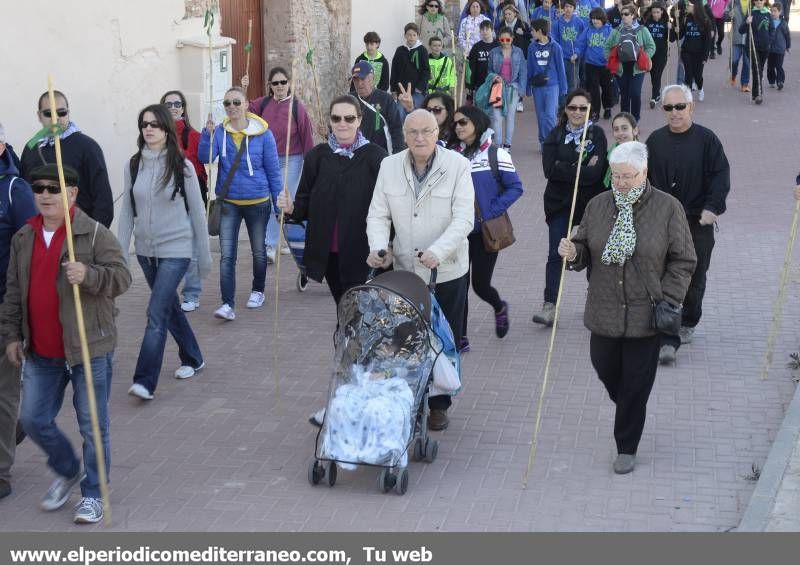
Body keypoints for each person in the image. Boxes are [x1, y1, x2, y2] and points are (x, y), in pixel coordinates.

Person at [0, 164, 131, 523]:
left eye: (53, 188)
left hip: (89, 348)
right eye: (39, 188)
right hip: (42, 350)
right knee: (32, 417)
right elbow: (14, 292)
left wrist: (89, 275)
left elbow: (122, 278)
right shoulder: (23, 237)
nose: (44, 194)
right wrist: (12, 334)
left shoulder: (93, 233)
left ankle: (94, 493)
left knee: (92, 424)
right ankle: (68, 468)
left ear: (71, 193)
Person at [557, 141, 696, 474]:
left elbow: (684, 259)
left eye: (628, 176)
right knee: (604, 367)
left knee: (635, 382)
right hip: (603, 307)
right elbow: (584, 247)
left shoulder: (668, 208)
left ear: (644, 173)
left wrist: (669, 296)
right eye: (616, 176)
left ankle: (626, 446)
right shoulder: (597, 205)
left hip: (646, 313)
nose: (620, 183)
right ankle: (631, 408)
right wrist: (573, 253)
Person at [366, 109, 474, 431]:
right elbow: (378, 214)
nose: (420, 138)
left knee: (444, 339)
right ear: (404, 135)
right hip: (405, 270)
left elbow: (464, 218)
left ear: (437, 131)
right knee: (403, 338)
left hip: (448, 271)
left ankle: (440, 403)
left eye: (426, 131)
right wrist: (378, 248)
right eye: (412, 132)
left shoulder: (458, 166)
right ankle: (409, 396)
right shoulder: (389, 166)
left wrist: (438, 251)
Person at [117, 104, 211, 401]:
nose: (149, 129)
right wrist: (121, 254)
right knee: (168, 308)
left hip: (177, 250)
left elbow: (197, 213)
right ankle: (193, 357)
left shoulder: (181, 166)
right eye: (144, 124)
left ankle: (145, 380)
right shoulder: (133, 165)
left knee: (156, 313)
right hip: (146, 253)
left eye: (155, 124)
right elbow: (127, 214)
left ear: (166, 129)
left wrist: (204, 257)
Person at [645, 84, 730, 364]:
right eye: (668, 108)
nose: (674, 113)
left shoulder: (708, 140)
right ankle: (666, 327)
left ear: (691, 107)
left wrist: (712, 208)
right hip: (663, 222)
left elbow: (720, 176)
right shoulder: (655, 141)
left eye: (680, 106)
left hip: (697, 220)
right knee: (662, 273)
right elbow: (643, 180)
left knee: (695, 276)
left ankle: (688, 321)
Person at [276, 95, 387, 305]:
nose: (342, 124)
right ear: (330, 121)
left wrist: (387, 243)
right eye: (336, 119)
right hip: (328, 252)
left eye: (349, 118)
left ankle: (347, 334)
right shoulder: (317, 157)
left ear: (359, 120)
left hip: (362, 250)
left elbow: (388, 206)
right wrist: (291, 207)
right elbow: (304, 203)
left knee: (356, 307)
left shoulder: (377, 157)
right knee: (343, 304)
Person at [199, 86, 283, 321]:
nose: (232, 107)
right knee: (227, 255)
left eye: (237, 102)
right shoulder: (220, 133)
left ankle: (258, 290)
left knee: (258, 252)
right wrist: (207, 135)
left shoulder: (264, 134)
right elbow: (205, 158)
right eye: (227, 104)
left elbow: (274, 172)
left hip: (258, 201)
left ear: (247, 104)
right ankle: (227, 304)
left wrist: (279, 206)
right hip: (229, 203)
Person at [448, 105, 523, 349]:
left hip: (484, 233)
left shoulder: (495, 154)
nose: (458, 127)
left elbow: (515, 187)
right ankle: (460, 336)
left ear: (477, 123)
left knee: (480, 285)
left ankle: (499, 307)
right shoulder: (450, 154)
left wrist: (489, 212)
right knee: (459, 285)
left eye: (463, 122)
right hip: (455, 232)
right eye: (456, 123)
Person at [534, 88, 608, 326]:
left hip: (590, 204)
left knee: (593, 252)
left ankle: (594, 300)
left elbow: (596, 174)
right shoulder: (554, 136)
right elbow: (549, 170)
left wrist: (564, 165)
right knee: (557, 252)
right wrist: (581, 166)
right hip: (559, 203)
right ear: (565, 110)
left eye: (583, 108)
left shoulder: (597, 135)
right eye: (573, 107)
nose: (577, 112)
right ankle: (550, 305)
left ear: (590, 111)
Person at [0, 123, 37, 501]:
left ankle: (1, 473)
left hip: (3, 305)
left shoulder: (15, 190)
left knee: (3, 391)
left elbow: (28, 249)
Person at [246, 67, 315, 263]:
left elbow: (306, 136)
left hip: (291, 159)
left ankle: (272, 244)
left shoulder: (296, 107)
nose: (279, 86)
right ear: (270, 86)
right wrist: (243, 88)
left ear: (289, 84)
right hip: (268, 160)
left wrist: (310, 164)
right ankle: (275, 244)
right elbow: (244, 109)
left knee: (281, 200)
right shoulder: (263, 104)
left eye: (283, 82)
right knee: (271, 202)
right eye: (275, 83)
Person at [19, 91, 114, 228]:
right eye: (48, 113)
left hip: (79, 234)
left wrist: (93, 238)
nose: (55, 118)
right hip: (43, 235)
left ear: (68, 113)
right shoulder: (31, 149)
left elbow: (103, 199)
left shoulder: (87, 147)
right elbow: (25, 197)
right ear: (39, 116)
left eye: (61, 112)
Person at [160, 90, 209, 313]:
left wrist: (209, 136)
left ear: (183, 108)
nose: (173, 108)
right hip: (163, 200)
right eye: (168, 104)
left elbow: (199, 162)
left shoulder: (194, 135)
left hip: (189, 199)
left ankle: (192, 293)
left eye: (177, 104)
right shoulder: (155, 134)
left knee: (191, 250)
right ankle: (165, 291)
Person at [605, 5, 656, 121]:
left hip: (637, 68)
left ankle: (635, 119)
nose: (623, 16)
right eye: (622, 14)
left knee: (635, 93)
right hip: (621, 68)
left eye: (626, 14)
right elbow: (607, 47)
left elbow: (651, 46)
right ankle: (625, 119)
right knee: (624, 95)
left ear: (633, 15)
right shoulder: (616, 31)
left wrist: (644, 57)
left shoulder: (642, 30)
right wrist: (612, 60)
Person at [527, 18, 569, 151]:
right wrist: (528, 87)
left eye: (533, 30)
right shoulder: (532, 46)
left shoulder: (555, 47)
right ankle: (543, 141)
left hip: (552, 86)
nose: (531, 33)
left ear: (540, 31)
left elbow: (560, 68)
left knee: (550, 115)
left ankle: (551, 142)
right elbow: (530, 67)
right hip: (537, 86)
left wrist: (564, 87)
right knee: (541, 116)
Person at [351, 62, 405, 154]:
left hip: (382, 154)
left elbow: (396, 129)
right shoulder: (350, 100)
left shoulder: (386, 99)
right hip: (357, 155)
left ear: (372, 78)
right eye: (356, 79)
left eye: (363, 78)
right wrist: (327, 133)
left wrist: (398, 155)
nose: (359, 83)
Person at [488, 27, 528, 150]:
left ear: (512, 39)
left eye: (507, 39)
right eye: (502, 39)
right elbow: (489, 70)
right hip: (497, 88)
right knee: (496, 117)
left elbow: (523, 71)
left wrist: (522, 90)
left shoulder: (518, 52)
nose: (505, 42)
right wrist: (495, 77)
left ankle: (507, 145)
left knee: (510, 117)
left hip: (513, 87)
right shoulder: (494, 52)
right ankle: (499, 145)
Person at [581, 8, 615, 121]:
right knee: (593, 89)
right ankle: (595, 111)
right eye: (593, 19)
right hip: (591, 64)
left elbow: (615, 46)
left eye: (597, 19)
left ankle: (608, 108)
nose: (595, 21)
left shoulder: (609, 30)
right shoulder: (588, 30)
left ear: (603, 19)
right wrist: (576, 53)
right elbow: (580, 43)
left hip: (605, 65)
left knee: (607, 88)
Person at [390, 23, 431, 111]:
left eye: (414, 35)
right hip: (402, 91)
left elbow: (426, 71)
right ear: (405, 35)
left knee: (416, 113)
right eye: (409, 35)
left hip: (417, 91)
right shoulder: (400, 50)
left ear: (417, 36)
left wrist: (419, 88)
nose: (411, 37)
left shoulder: (422, 50)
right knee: (400, 113)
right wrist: (393, 89)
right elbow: (394, 70)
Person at [678, 0, 712, 102]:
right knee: (688, 73)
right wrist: (677, 27)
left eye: (689, 5)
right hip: (686, 51)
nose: (687, 7)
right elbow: (681, 34)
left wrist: (705, 56)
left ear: (695, 6)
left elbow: (707, 41)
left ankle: (700, 89)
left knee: (697, 75)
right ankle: (687, 96)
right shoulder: (686, 18)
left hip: (699, 53)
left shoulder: (705, 21)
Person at [739, 0, 771, 104]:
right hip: (752, 47)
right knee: (757, 69)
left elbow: (772, 29)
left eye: (761, 0)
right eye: (756, 0)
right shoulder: (750, 13)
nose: (759, 2)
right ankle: (759, 94)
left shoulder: (768, 13)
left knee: (759, 70)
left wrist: (769, 40)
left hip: (765, 47)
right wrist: (747, 22)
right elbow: (741, 30)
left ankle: (754, 93)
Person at [554, 0, 588, 92]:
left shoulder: (579, 22)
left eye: (570, 7)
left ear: (574, 8)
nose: (568, 9)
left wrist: (577, 53)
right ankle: (562, 104)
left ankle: (571, 103)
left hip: (574, 57)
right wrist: (558, 53)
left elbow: (582, 41)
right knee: (561, 81)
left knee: (572, 82)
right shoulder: (557, 22)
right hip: (561, 57)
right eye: (566, 6)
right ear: (563, 8)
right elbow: (555, 41)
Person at [604, 112, 639, 188]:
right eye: (616, 129)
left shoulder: (640, 157)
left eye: (624, 128)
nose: (620, 133)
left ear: (635, 130)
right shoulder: (612, 150)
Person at [645, 2, 670, 108]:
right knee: (653, 75)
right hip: (650, 54)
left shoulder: (666, 23)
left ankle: (654, 97)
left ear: (662, 12)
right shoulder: (647, 23)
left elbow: (672, 38)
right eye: (653, 12)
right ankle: (657, 94)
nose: (655, 14)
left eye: (657, 12)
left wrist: (671, 28)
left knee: (657, 74)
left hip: (661, 54)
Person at [467, 20, 500, 99]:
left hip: (495, 83)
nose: (484, 32)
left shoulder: (498, 46)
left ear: (492, 30)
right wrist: (470, 86)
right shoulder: (476, 47)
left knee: (494, 109)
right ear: (480, 31)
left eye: (487, 29)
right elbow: (471, 67)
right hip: (480, 84)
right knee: (479, 109)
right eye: (482, 29)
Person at [726, 0, 751, 91]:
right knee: (734, 60)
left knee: (747, 62)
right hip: (737, 36)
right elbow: (724, 15)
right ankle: (733, 75)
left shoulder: (754, 3)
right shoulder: (733, 2)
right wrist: (729, 15)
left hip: (749, 38)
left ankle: (744, 84)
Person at [767, 2, 791, 91]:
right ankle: (771, 80)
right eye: (772, 11)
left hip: (780, 49)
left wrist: (788, 46)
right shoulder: (768, 21)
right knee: (770, 66)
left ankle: (780, 81)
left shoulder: (783, 23)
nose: (773, 13)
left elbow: (787, 35)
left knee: (779, 65)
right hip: (770, 49)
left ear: (780, 12)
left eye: (775, 11)